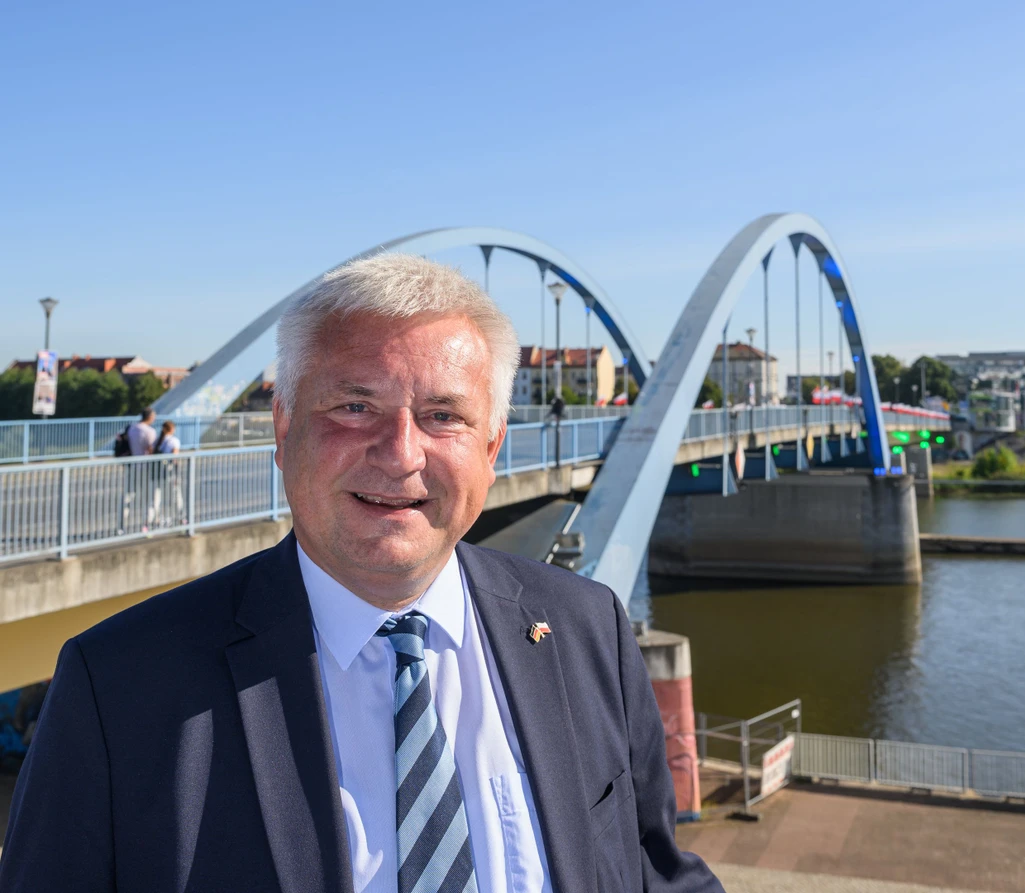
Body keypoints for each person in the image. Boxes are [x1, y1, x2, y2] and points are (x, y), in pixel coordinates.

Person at [1, 254, 722, 893]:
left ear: (493, 446)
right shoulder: (120, 685)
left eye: (444, 415)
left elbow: (654, 872)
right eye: (354, 407)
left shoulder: (584, 627)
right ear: (284, 431)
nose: (401, 452)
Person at [116, 408, 157, 533]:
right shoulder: (149, 431)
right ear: (149, 417)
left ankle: (121, 525)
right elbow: (151, 449)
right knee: (148, 497)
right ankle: (146, 524)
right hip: (146, 467)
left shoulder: (131, 428)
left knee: (128, 496)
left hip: (133, 465)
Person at [150, 421, 185, 527]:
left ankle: (155, 520)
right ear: (172, 429)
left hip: (157, 471)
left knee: (156, 497)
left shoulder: (157, 441)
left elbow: (150, 452)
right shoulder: (174, 441)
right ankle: (181, 518)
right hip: (169, 472)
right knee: (175, 495)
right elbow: (174, 457)